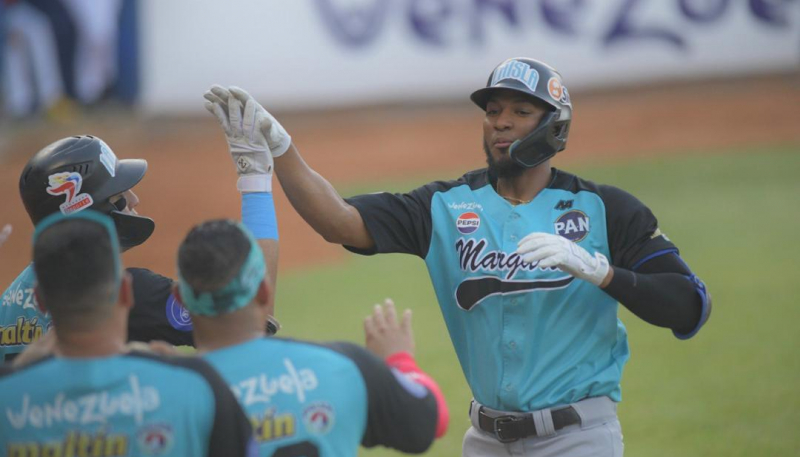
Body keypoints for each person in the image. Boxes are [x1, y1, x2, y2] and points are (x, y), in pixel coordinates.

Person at [204, 57, 712, 457]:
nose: (501, 124)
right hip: (485, 441)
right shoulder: (445, 205)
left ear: (554, 126)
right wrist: (282, 148)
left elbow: (688, 305)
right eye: (493, 112)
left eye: (519, 112)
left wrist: (602, 273)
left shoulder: (607, 210)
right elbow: (337, 221)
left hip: (577, 439)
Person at [189, 97, 447, 455]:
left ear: (181, 300)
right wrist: (398, 360)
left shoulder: (166, 393)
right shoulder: (343, 366)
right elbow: (433, 418)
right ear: (264, 292)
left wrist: (254, 179)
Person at [0, 211, 256, 456]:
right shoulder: (197, 385)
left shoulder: (7, 396)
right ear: (126, 291)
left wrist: (21, 367)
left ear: (40, 302)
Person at [1, 135, 194, 362]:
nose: (134, 200)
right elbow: (233, 317)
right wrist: (248, 185)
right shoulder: (128, 294)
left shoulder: (8, 303)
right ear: (87, 210)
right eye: (119, 196)